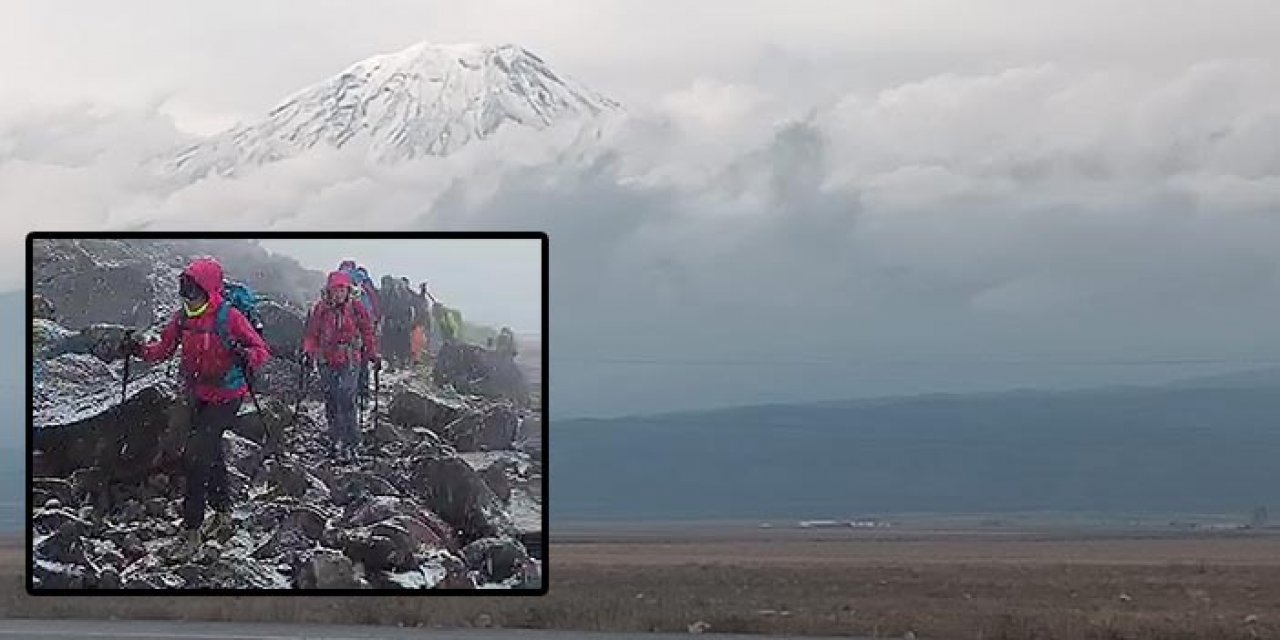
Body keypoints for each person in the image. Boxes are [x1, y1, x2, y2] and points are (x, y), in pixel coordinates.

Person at [124, 257, 271, 549]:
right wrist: (138, 350)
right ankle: (223, 513)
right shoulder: (183, 318)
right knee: (211, 451)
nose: (188, 298)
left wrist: (247, 355)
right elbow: (163, 350)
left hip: (228, 395)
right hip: (199, 393)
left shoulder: (228, 317)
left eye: (193, 291)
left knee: (195, 457)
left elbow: (261, 349)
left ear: (208, 289)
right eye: (185, 291)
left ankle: (191, 530)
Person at [303, 270, 379, 462]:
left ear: (347, 290)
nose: (338, 294)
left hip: (349, 358)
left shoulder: (356, 308)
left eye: (342, 289)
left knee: (346, 395)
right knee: (331, 398)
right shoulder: (320, 309)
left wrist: (371, 354)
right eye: (335, 290)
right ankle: (336, 438)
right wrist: (308, 352)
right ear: (328, 290)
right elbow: (312, 334)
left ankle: (351, 440)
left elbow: (367, 332)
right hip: (326, 359)